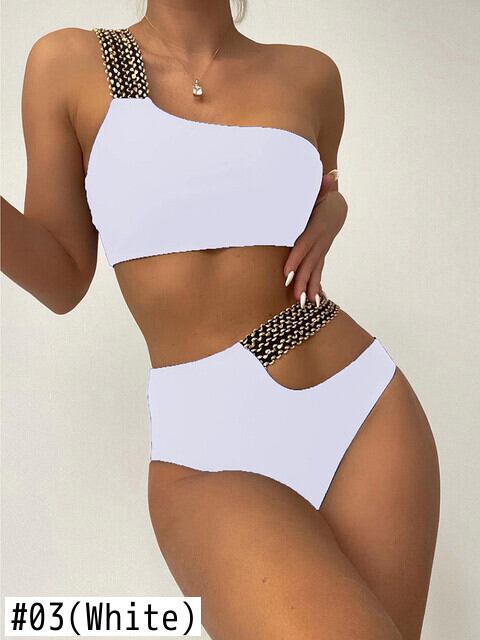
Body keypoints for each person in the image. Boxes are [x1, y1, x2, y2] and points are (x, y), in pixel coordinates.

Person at [0, 1, 440, 638]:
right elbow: (62, 277)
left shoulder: (310, 74)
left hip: (361, 406)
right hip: (208, 439)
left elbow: (312, 189)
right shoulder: (78, 62)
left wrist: (335, 206)